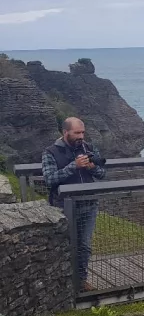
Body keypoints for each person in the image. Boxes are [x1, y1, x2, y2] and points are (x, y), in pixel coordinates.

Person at [42, 117, 107, 292]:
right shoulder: (51, 152)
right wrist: (74, 166)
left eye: (83, 132)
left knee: (84, 245)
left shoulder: (89, 148)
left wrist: (92, 167)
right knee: (65, 244)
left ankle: (80, 281)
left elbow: (102, 173)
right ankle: (62, 282)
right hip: (64, 206)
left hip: (88, 203)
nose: (81, 136)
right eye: (77, 133)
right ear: (66, 132)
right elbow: (49, 180)